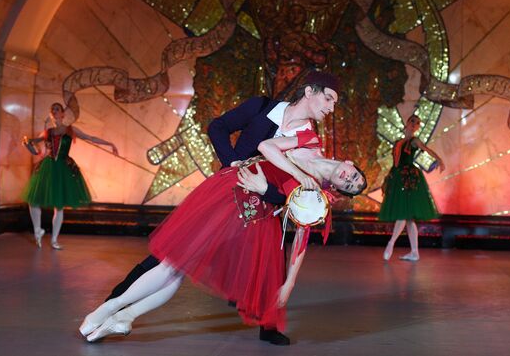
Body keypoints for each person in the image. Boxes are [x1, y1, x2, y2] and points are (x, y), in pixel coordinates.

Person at [102, 70, 341, 344]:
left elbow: (297, 185)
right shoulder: (260, 107)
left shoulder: (308, 139)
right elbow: (218, 126)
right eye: (329, 98)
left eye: (334, 103)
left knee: (273, 262)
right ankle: (115, 301)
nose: (331, 107)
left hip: (264, 206)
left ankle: (269, 325)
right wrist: (231, 162)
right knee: (170, 254)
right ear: (309, 92)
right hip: (226, 197)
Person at [78, 127, 367, 344]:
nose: (349, 180)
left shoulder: (315, 194)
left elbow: (301, 239)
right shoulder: (310, 141)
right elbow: (266, 146)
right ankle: (120, 314)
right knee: (174, 265)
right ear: (350, 163)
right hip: (229, 191)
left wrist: (289, 282)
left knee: (176, 266)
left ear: (341, 191)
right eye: (354, 177)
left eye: (351, 187)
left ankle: (118, 312)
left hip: (247, 214)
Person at [22, 102, 118, 250]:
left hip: (62, 168)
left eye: (57, 109)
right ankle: (37, 230)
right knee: (33, 201)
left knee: (59, 206)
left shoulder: (70, 130)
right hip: (47, 167)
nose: (54, 112)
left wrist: (110, 143)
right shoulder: (47, 132)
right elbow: (35, 150)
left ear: (62, 114)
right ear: (50, 114)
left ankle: (54, 239)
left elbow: (90, 138)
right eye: (52, 110)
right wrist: (27, 143)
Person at [379, 114, 445, 261]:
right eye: (412, 122)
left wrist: (439, 160)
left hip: (408, 179)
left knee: (404, 214)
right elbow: (395, 161)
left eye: (417, 123)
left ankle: (391, 243)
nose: (414, 125)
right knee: (408, 218)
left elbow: (426, 149)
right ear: (407, 123)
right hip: (397, 177)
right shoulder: (399, 142)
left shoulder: (414, 141)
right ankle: (414, 252)